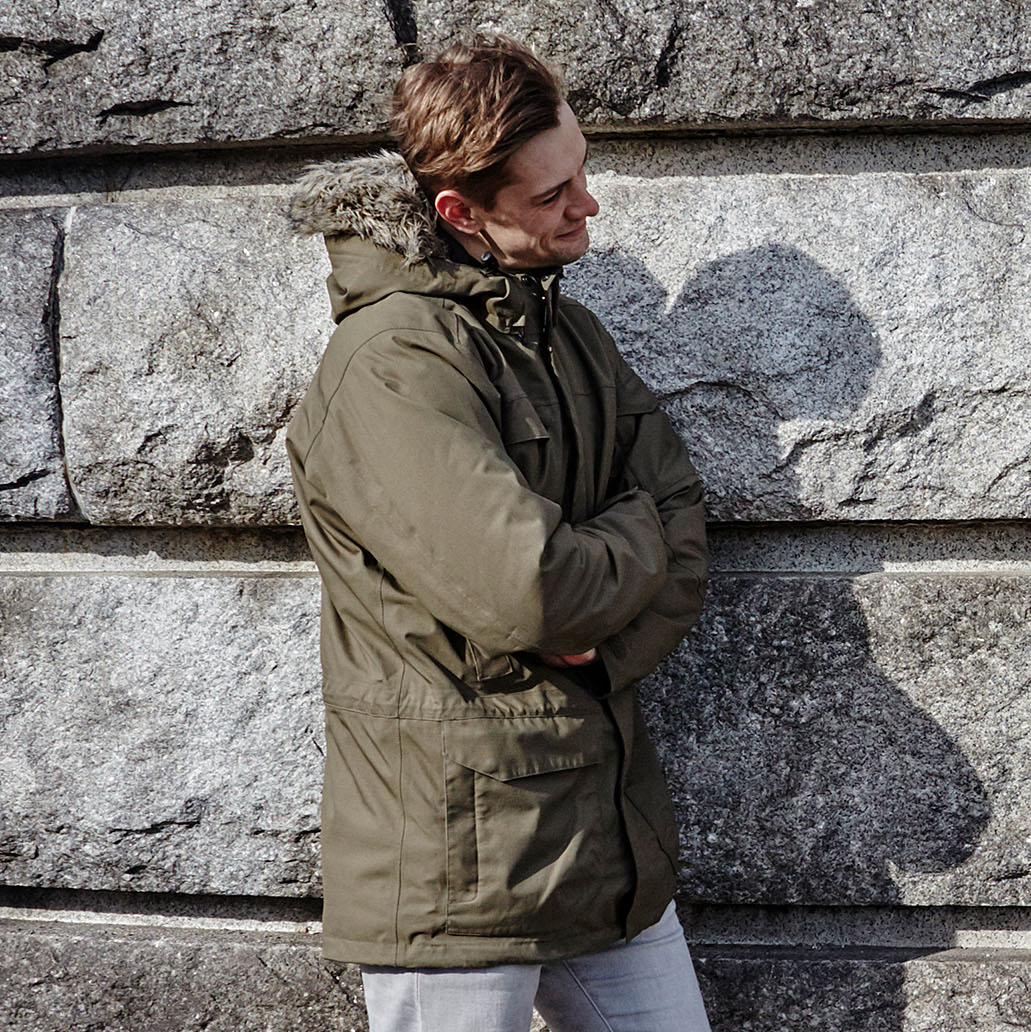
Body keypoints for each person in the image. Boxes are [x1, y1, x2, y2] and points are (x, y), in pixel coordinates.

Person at [284, 36, 712, 1032]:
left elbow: (683, 533)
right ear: (458, 213)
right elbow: (535, 592)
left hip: (607, 850)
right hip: (457, 868)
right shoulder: (392, 362)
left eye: (583, 173)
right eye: (552, 194)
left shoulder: (576, 339)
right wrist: (604, 566)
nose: (587, 207)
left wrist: (600, 639)